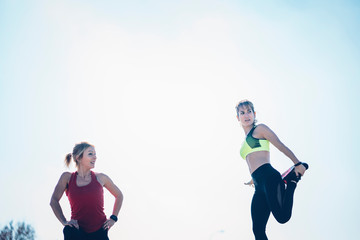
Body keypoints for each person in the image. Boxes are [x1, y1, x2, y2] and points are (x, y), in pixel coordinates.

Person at [235, 100, 308, 240]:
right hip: (258, 185)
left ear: (254, 114)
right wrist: (252, 178)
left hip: (269, 178)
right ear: (238, 117)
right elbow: (253, 159)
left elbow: (279, 145)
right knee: (257, 229)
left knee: (282, 217)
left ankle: (292, 180)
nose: (246, 115)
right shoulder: (243, 142)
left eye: (249, 111)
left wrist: (297, 163)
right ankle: (290, 178)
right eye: (242, 113)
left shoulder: (260, 129)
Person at [50, 142, 123, 240]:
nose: (95, 157)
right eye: (90, 154)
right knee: (68, 230)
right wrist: (64, 221)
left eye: (95, 154)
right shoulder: (67, 178)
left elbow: (119, 195)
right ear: (78, 158)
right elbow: (54, 201)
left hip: (99, 232)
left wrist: (113, 218)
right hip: (78, 231)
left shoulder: (101, 178)